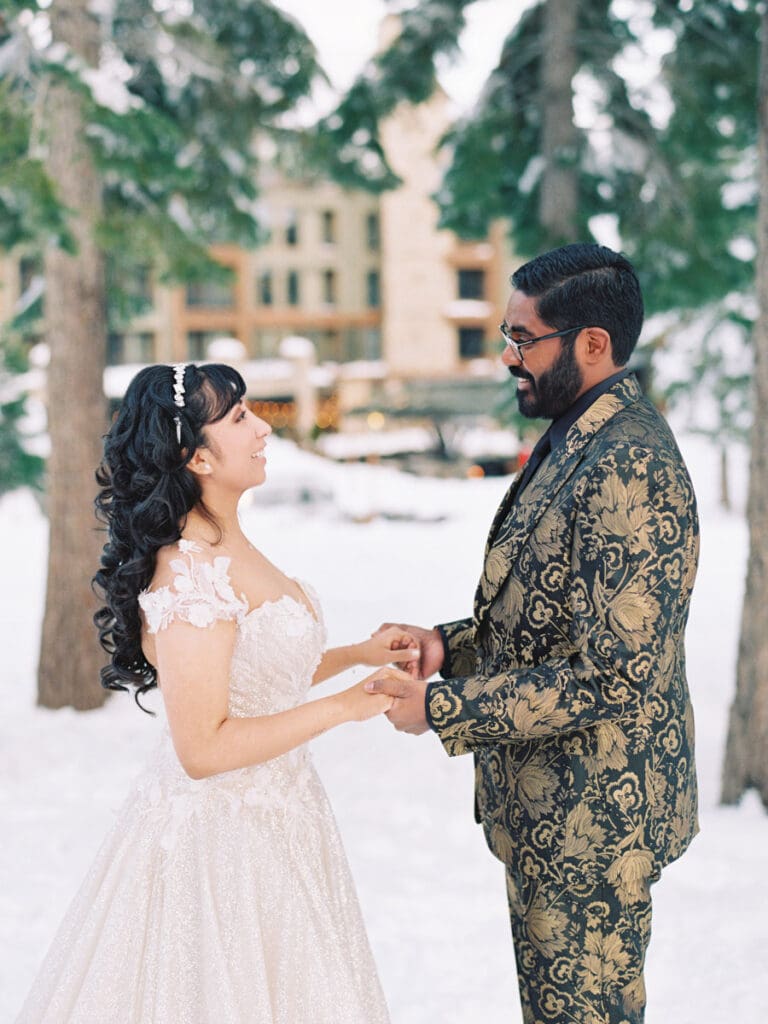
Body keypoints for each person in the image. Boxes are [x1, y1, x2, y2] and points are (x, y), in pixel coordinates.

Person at [17, 362, 415, 1024]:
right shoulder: (187, 573)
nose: (262, 429)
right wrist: (346, 707)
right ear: (195, 454)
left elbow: (256, 675)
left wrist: (356, 657)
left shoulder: (229, 542)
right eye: (239, 419)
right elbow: (203, 746)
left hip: (285, 825)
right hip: (219, 848)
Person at [366, 243, 700, 1023]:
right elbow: (545, 616)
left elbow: (613, 676)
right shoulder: (575, 435)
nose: (507, 356)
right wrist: (450, 647)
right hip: (553, 814)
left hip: (597, 824)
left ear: (592, 344)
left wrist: (446, 709)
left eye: (524, 339)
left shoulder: (629, 464)